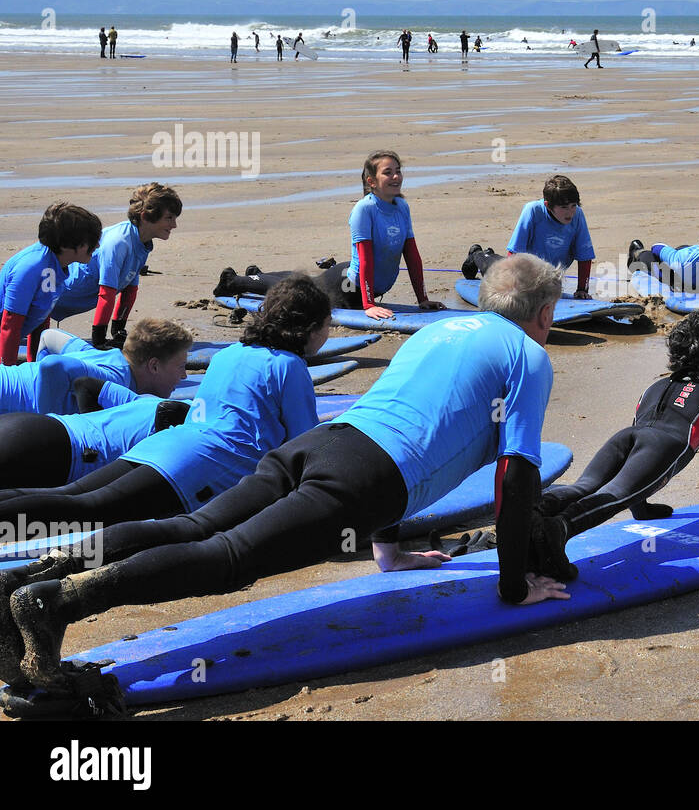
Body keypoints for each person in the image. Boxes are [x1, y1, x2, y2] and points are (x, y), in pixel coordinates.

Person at [0, 254, 571, 698]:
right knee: (230, 558)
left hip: (319, 445)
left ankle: (28, 579)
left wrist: (388, 552)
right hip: (363, 479)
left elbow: (406, 422)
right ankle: (58, 603)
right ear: (544, 313)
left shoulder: (438, 332)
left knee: (194, 527)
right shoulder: (528, 356)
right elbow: (517, 473)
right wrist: (514, 583)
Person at [0, 279, 327, 547]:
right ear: (309, 329)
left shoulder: (232, 353)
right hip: (197, 465)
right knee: (91, 511)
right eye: (326, 327)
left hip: (164, 443)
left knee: (75, 499)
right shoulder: (290, 366)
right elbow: (304, 451)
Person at [532, 313, 699, 579]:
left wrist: (641, 508)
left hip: (627, 436)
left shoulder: (655, 386)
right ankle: (558, 528)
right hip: (664, 446)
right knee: (616, 494)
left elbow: (634, 451)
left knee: (584, 486)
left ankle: (533, 514)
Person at [213, 150, 445, 320]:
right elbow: (365, 260)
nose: (396, 177)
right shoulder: (364, 210)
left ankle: (257, 275)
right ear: (372, 182)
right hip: (347, 286)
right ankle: (233, 282)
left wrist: (422, 299)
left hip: (361, 281)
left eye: (398, 171)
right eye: (388, 173)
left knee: (309, 282)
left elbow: (412, 257)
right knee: (298, 291)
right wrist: (368, 305)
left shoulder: (402, 207)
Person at [52, 183, 182, 348]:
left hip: (72, 298)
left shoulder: (142, 242)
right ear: (145, 216)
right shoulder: (118, 242)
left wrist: (118, 331)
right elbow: (106, 294)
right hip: (56, 295)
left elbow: (129, 290)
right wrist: (99, 340)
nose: (174, 225)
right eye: (169, 218)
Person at [0, 380, 190, 491]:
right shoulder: (191, 424)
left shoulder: (150, 400)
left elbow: (85, 385)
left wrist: (91, 425)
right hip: (57, 454)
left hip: (43, 425)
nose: (183, 376)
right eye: (181, 366)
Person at [0, 319, 191, 417]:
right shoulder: (114, 378)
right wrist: (51, 425)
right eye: (181, 366)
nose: (184, 376)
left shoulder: (109, 357)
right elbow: (54, 365)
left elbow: (50, 336)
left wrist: (34, 368)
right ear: (154, 366)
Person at [460, 175, 596, 300]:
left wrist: (582, 289)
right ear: (548, 205)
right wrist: (511, 286)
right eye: (564, 207)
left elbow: (585, 256)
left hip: (548, 276)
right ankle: (479, 254)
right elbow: (514, 253)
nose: (570, 212)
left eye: (573, 206)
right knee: (494, 271)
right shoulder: (532, 211)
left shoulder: (577, 215)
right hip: (523, 270)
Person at [0, 204, 102, 366]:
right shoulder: (31, 268)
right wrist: (9, 374)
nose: (97, 246)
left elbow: (41, 315)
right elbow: (9, 326)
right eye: (91, 241)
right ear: (66, 245)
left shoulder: (57, 264)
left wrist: (34, 364)